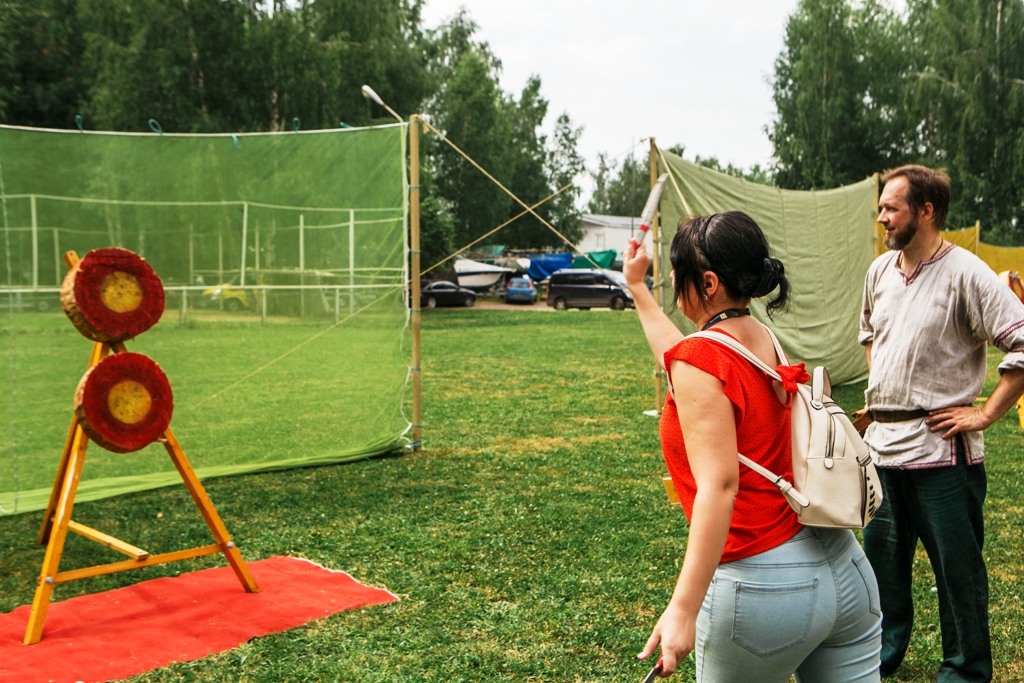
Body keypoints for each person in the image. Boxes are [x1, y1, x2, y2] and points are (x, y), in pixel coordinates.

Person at [626, 211, 882, 682]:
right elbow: (681, 356)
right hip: (846, 570)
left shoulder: (704, 358)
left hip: (766, 588)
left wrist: (683, 610)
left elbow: (720, 486)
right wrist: (638, 289)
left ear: (706, 282)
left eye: (678, 277)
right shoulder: (759, 338)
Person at [859, 165, 1024, 682]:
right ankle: (881, 656)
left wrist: (987, 411)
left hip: (942, 455)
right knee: (882, 567)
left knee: (958, 573)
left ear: (926, 212)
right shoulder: (880, 272)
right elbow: (870, 334)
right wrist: (888, 394)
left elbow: (1020, 341)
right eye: (883, 207)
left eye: (892, 207)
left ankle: (965, 669)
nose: (882, 216)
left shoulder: (967, 273)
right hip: (883, 451)